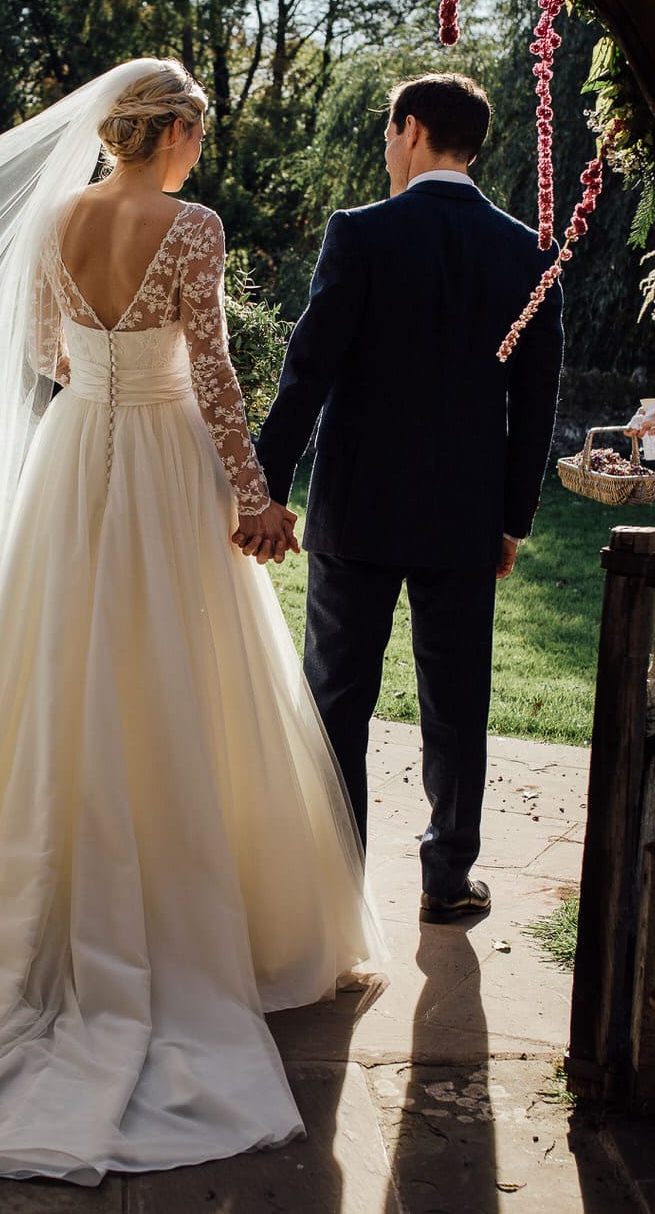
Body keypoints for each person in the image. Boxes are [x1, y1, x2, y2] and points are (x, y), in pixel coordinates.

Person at [0, 60, 382, 1184]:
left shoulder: (52, 221)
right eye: (198, 134)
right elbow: (219, 375)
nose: (198, 152)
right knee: (179, 679)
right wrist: (251, 492)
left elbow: (44, 356)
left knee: (61, 677)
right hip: (161, 460)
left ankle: (47, 910)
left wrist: (102, 366)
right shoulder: (189, 226)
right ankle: (189, 917)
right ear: (174, 131)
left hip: (73, 457)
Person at [255, 73, 564, 925]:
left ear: (414, 129)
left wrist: (265, 484)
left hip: (356, 511)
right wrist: (511, 520)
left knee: (336, 699)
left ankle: (332, 885)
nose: (385, 149)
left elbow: (307, 371)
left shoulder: (359, 235)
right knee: (458, 702)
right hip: (464, 520)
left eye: (390, 133)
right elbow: (536, 401)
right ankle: (445, 880)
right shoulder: (528, 252)